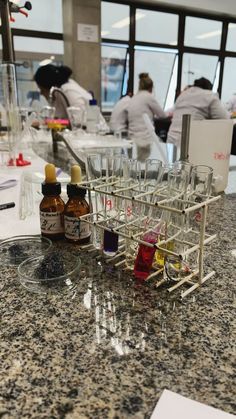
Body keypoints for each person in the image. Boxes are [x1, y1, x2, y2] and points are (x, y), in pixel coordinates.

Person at [167, 77, 229, 148]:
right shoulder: (209, 95)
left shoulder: (183, 94)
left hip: (171, 140)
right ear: (209, 88)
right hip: (191, 143)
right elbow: (224, 118)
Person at [127, 73, 167, 160]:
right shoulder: (148, 97)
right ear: (151, 87)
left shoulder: (134, 97)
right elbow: (162, 115)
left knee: (137, 163)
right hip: (146, 139)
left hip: (133, 139)